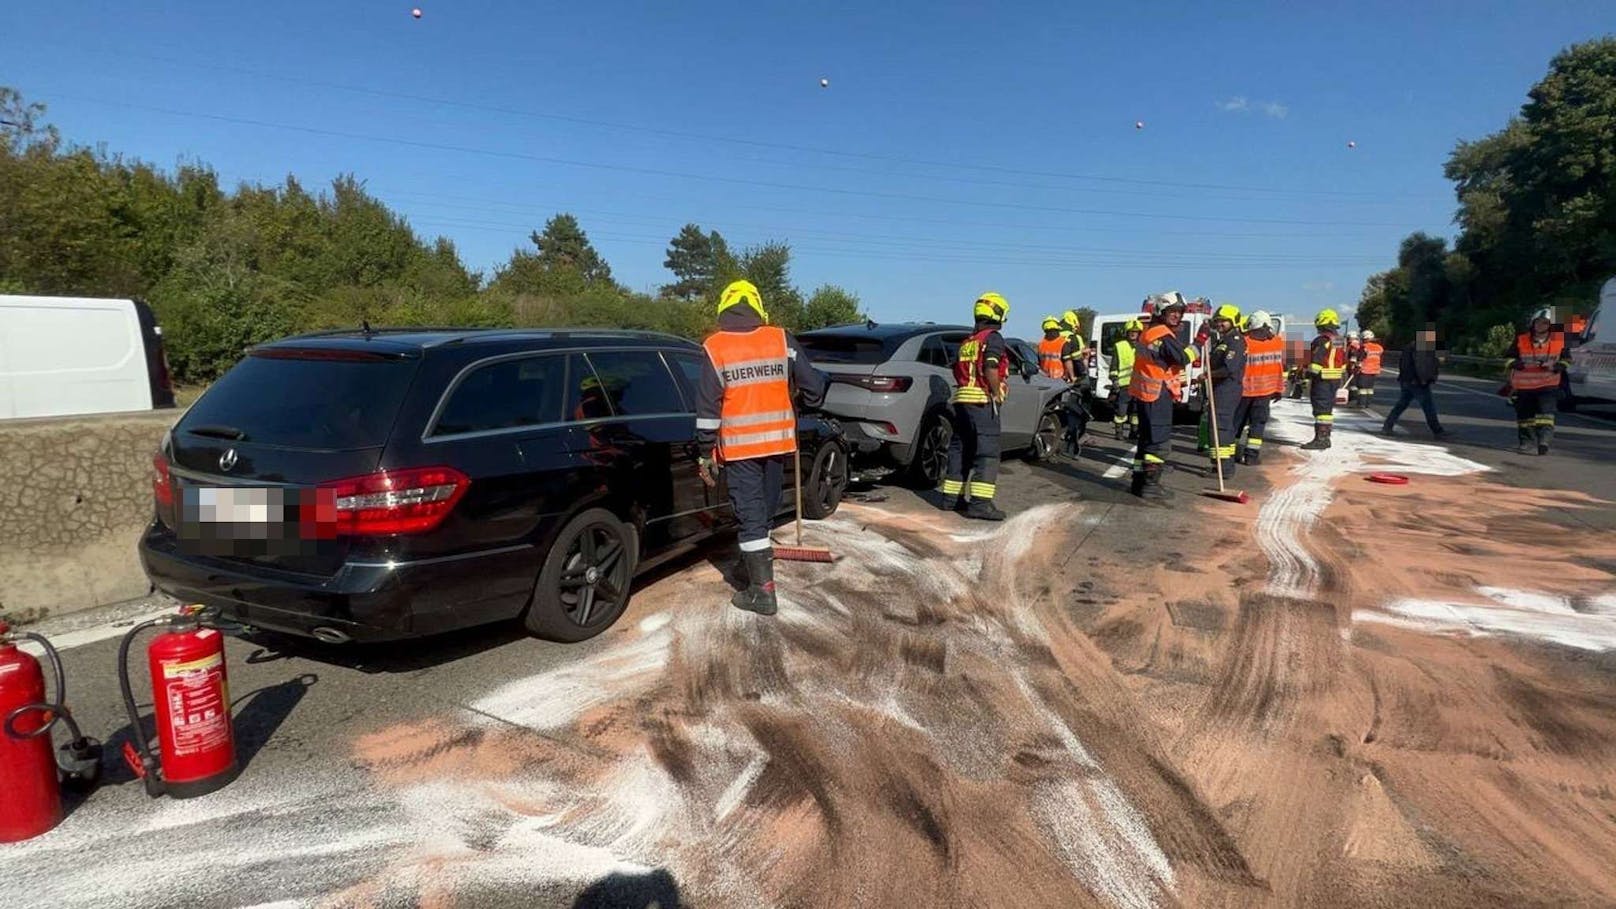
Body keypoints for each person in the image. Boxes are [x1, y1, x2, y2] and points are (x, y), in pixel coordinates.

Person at [697, 280, 828, 616]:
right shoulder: (780, 338)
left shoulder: (716, 346)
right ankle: (751, 565)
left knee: (751, 515)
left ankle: (762, 592)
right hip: (778, 443)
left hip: (741, 449)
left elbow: (708, 406)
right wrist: (805, 398)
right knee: (765, 508)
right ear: (758, 306)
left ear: (724, 307)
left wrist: (703, 451)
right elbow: (814, 386)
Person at [939, 292, 1011, 521]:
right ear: (998, 314)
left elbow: (955, 369)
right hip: (982, 401)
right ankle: (980, 505)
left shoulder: (968, 342)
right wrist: (996, 392)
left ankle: (951, 500)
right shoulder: (993, 338)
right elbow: (991, 368)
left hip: (962, 401)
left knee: (960, 450)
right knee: (987, 454)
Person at [1129, 295, 1192, 500]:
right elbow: (1182, 358)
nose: (1176, 315)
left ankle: (1138, 481)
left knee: (1146, 440)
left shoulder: (1148, 333)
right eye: (1171, 311)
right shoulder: (1162, 334)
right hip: (1157, 394)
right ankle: (1150, 485)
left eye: (1179, 311)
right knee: (1158, 442)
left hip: (1145, 392)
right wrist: (1199, 342)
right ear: (1161, 312)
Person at [1508, 309, 1571, 455]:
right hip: (1524, 385)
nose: (1540, 325)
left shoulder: (1559, 341)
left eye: (1545, 323)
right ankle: (1526, 442)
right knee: (1525, 417)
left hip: (1548, 384)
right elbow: (1508, 358)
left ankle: (1544, 441)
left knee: (1546, 414)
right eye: (1538, 322)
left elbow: (1567, 360)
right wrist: (1515, 364)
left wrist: (1556, 367)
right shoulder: (1521, 339)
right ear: (1533, 323)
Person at [1233, 311, 1285, 464]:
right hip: (1265, 392)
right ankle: (1251, 457)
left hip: (1244, 391)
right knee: (1258, 424)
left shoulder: (1244, 341)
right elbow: (1281, 367)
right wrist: (1279, 389)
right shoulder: (1278, 342)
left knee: (1236, 424)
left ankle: (1230, 455)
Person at [1204, 303, 1246, 476]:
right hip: (1220, 388)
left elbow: (1229, 368)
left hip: (1226, 389)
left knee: (1220, 428)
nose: (1220, 324)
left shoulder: (1235, 341)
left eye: (1224, 321)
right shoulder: (1224, 340)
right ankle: (1222, 466)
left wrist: (1207, 375)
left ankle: (1223, 468)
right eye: (1218, 321)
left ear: (1233, 322)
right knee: (1222, 427)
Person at [1380, 327, 1448, 438]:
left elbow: (1403, 363)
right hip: (1417, 382)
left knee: (1401, 405)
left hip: (1406, 380)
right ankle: (1438, 431)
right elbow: (1421, 365)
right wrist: (1424, 379)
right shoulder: (1421, 348)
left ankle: (1387, 426)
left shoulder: (1409, 346)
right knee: (1428, 407)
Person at [1300, 309, 1349, 450]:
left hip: (1322, 380)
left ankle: (1321, 439)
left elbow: (1315, 362)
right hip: (1335, 379)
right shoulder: (1339, 339)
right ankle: (1325, 437)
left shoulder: (1321, 340)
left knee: (1321, 410)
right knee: (1327, 410)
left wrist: (1307, 377)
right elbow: (1343, 361)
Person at [1109, 319, 1142, 440]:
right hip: (1123, 385)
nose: (1133, 334)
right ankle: (1119, 432)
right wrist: (1114, 380)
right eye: (1131, 331)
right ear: (1126, 332)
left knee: (1136, 411)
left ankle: (1134, 432)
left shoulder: (1142, 346)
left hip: (1138, 384)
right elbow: (1114, 365)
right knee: (1121, 410)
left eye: (1136, 332)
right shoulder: (1119, 346)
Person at [1357, 330, 1384, 407]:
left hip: (1365, 370)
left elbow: (1360, 358)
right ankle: (1368, 403)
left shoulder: (1364, 347)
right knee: (1370, 388)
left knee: (1362, 387)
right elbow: (1381, 359)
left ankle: (1361, 403)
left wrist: (1356, 367)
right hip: (1375, 370)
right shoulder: (1379, 347)